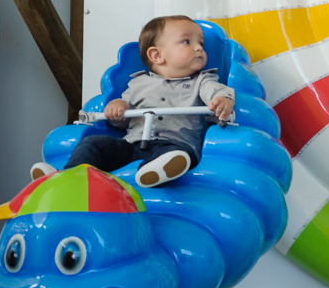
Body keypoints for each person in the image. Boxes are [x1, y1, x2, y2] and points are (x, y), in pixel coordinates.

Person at [30, 16, 235, 188]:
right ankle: (67, 177)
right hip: (131, 144)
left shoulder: (203, 81)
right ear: (157, 55)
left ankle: (156, 171)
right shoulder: (137, 84)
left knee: (175, 155)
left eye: (201, 44)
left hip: (175, 144)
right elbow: (121, 120)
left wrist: (222, 101)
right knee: (93, 144)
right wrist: (118, 109)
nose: (199, 48)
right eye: (187, 42)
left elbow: (216, 93)